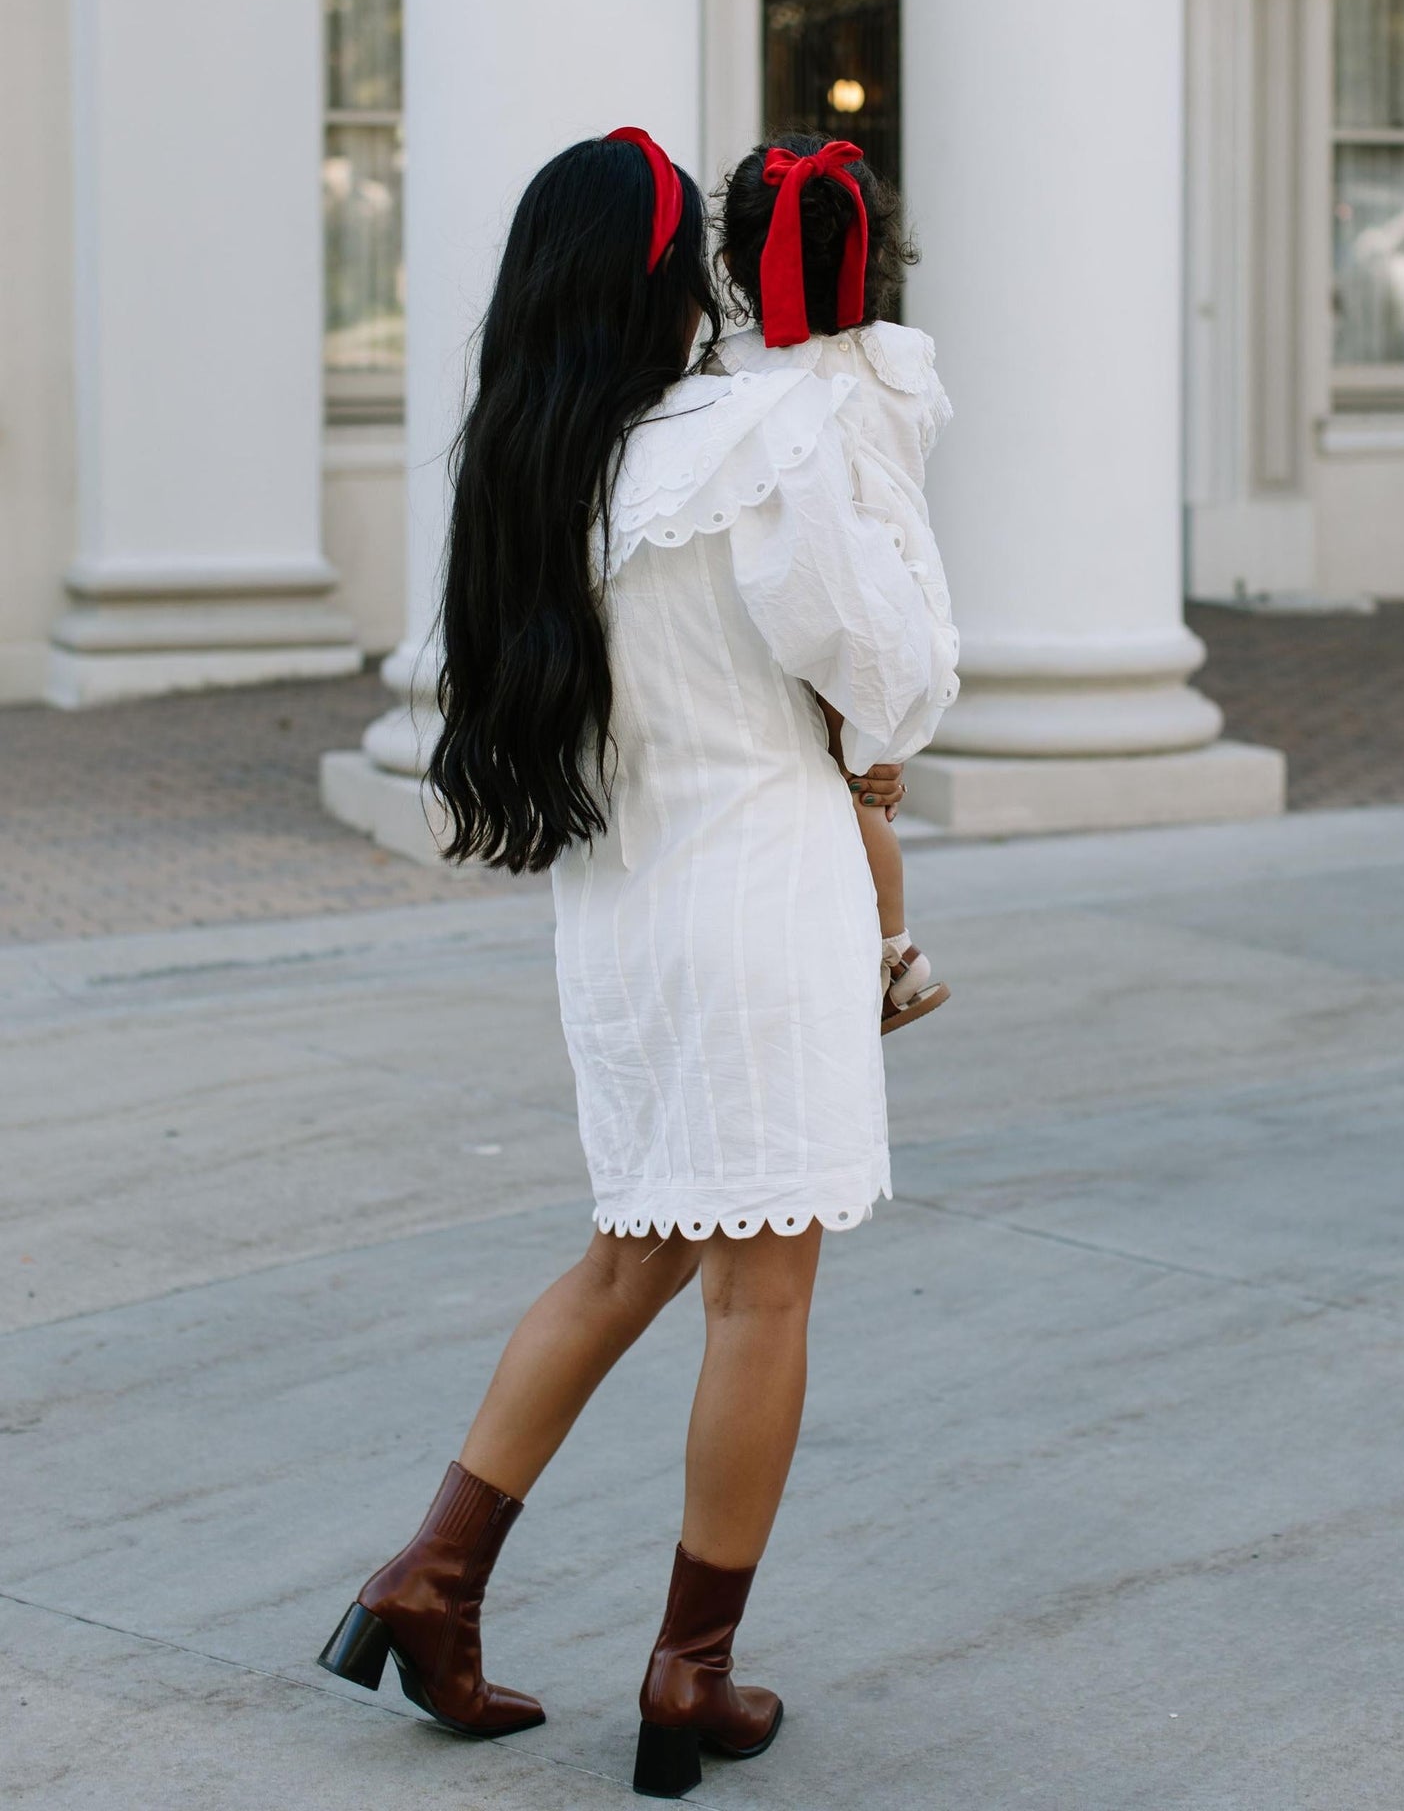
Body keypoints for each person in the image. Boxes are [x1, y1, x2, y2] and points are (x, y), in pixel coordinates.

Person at [317, 126, 958, 1800]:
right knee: (761, 1291)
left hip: (622, 916)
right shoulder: (754, 436)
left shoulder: (530, 473)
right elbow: (892, 673)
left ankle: (429, 1578)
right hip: (760, 888)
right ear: (671, 281)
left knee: (633, 1260)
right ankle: (692, 1677)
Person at [714, 133, 955, 1031]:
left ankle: (890, 956)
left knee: (841, 798)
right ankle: (893, 947)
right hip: (901, 599)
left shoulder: (737, 371)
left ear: (738, 261)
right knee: (868, 790)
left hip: (812, 602)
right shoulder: (903, 359)